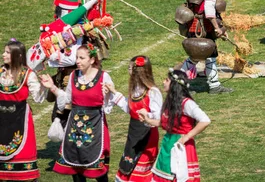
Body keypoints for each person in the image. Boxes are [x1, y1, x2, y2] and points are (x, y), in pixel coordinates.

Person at [40, 44, 114, 182]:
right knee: (76, 167)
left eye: (82, 58)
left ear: (92, 60)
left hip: (95, 128)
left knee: (98, 170)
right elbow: (66, 100)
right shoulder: (74, 75)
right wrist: (53, 87)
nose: (77, 61)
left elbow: (109, 105)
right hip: (75, 128)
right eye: (77, 58)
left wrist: (109, 93)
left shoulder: (104, 77)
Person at [138, 70, 210, 182]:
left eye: (167, 80)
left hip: (182, 147)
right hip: (167, 145)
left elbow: (205, 120)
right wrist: (147, 119)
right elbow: (164, 123)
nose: (163, 82)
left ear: (174, 84)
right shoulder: (171, 103)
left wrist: (186, 137)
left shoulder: (187, 103)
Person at [105, 56, 162, 181]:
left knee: (140, 169)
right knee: (128, 164)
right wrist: (113, 91)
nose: (128, 71)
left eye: (130, 68)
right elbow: (129, 108)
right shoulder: (135, 90)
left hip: (147, 135)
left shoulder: (152, 92)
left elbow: (158, 116)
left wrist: (147, 116)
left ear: (138, 71)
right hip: (134, 134)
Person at [183, 0, 234, 94]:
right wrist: (217, 28)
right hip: (202, 24)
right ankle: (179, 85)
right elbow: (209, 8)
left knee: (211, 53)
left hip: (200, 22)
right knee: (195, 56)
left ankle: (214, 85)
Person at [0, 39, 47, 181]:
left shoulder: (27, 74)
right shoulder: (0, 72)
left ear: (17, 55)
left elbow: (38, 98)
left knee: (24, 172)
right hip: (2, 121)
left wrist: (44, 86)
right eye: (4, 52)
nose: (3, 55)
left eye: (7, 52)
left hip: (20, 121)